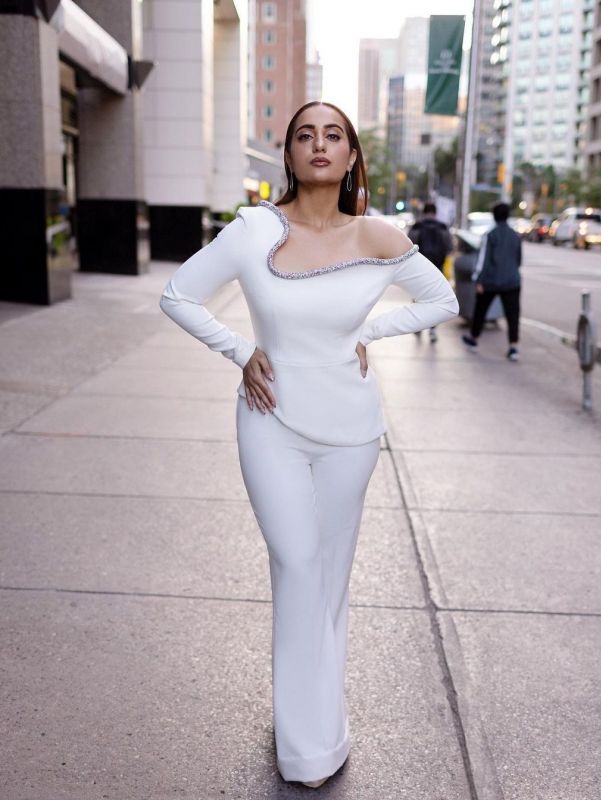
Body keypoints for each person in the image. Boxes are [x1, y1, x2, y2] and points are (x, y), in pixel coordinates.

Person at [159, 101, 459, 789]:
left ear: (352, 155)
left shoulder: (377, 236)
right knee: (297, 564)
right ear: (289, 155)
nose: (318, 145)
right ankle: (305, 746)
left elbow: (441, 302)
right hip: (271, 419)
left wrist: (370, 337)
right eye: (304, 135)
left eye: (333, 135)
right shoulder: (253, 230)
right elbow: (178, 295)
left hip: (351, 428)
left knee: (327, 581)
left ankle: (319, 721)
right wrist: (240, 349)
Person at [462, 201, 522, 361]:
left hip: (491, 281)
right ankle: (513, 347)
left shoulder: (490, 235)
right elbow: (519, 260)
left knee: (480, 310)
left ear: (494, 216)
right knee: (513, 314)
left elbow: (483, 260)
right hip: (512, 281)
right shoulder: (516, 235)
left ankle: (474, 340)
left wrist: (478, 280)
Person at [408, 202, 453, 342]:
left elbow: (408, 246)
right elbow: (450, 247)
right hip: (437, 270)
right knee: (435, 300)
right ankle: (433, 330)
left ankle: (418, 327)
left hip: (419, 270)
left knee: (419, 298)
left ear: (424, 212)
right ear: (435, 212)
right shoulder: (443, 228)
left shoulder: (416, 227)